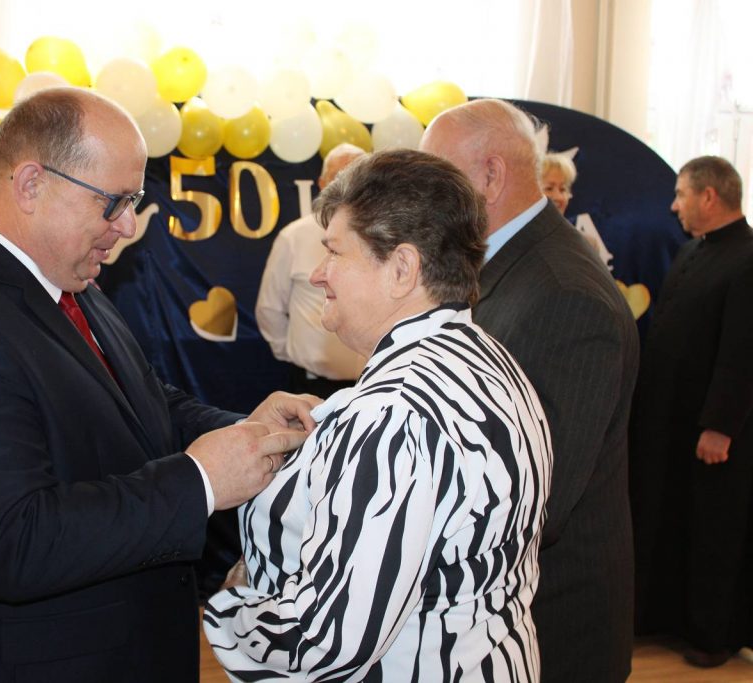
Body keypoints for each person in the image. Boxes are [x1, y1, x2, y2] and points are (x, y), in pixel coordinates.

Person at [0, 87, 315, 683]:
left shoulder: (73, 285)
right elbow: (17, 542)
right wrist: (202, 480)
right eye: (114, 202)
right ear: (31, 184)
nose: (128, 226)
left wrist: (253, 433)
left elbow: (146, 407)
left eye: (134, 201)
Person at [204, 149, 552, 681]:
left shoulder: (393, 412)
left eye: (334, 252)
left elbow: (326, 641)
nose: (318, 275)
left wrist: (233, 608)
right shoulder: (490, 357)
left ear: (402, 269)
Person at [420, 99, 640, 683]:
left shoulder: (563, 294)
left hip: (550, 627)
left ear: (491, 177)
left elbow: (536, 497)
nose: (425, 197)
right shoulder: (505, 266)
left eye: (438, 177)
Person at [630, 155, 753, 668]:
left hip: (712, 430)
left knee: (711, 530)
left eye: (681, 194)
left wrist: (719, 427)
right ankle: (666, 617)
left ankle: (711, 634)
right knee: (669, 518)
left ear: (709, 196)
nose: (673, 205)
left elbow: (742, 353)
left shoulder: (748, 259)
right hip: (671, 421)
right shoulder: (691, 251)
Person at [256, 143, 367, 396]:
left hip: (373, 384)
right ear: (322, 183)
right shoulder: (294, 237)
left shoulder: (384, 240)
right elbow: (269, 308)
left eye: (359, 180)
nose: (349, 189)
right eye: (340, 178)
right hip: (311, 386)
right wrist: (293, 356)